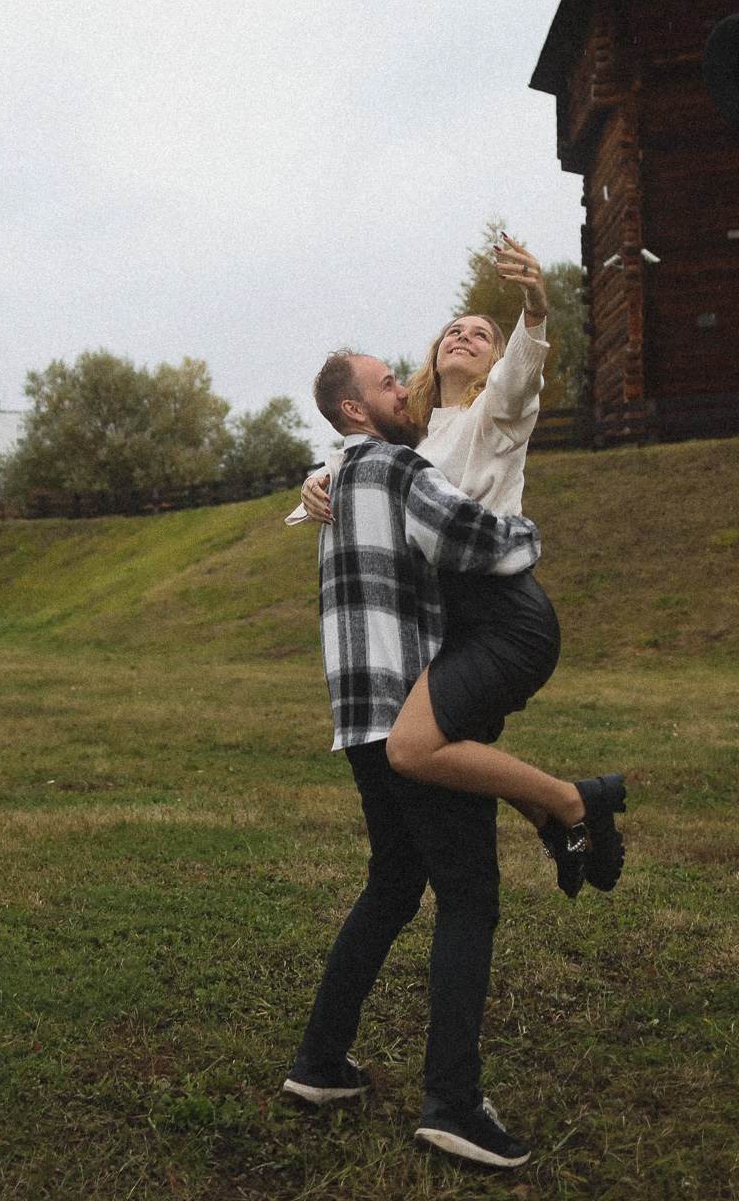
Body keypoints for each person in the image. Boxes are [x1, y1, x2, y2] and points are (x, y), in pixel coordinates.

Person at [280, 348, 580, 1168]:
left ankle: (319, 1062)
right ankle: (451, 1102)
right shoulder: (392, 466)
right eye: (385, 383)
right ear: (352, 410)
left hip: (358, 718)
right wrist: (531, 530)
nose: (401, 389)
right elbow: (481, 540)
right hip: (418, 716)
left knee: (391, 884)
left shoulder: (339, 477)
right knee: (469, 898)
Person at [291, 235, 625, 897]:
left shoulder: (493, 414)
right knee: (463, 761)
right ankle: (571, 831)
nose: (464, 336)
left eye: (481, 334)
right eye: (453, 329)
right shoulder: (420, 436)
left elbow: (524, 370)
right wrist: (311, 483)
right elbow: (359, 460)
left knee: (418, 750)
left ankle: (578, 805)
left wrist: (534, 303)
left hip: (504, 611)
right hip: (454, 626)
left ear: (493, 363)